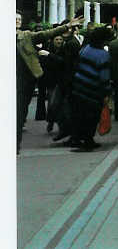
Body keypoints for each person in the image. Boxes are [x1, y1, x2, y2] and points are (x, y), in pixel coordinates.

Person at [16, 13, 83, 154]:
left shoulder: (26, 36)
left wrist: (66, 26)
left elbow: (47, 34)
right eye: (14, 19)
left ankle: (15, 144)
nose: (17, 21)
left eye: (19, 19)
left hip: (26, 81)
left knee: (20, 113)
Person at [66, 24, 113, 152]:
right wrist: (106, 93)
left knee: (79, 116)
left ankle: (79, 139)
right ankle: (88, 141)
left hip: (79, 86)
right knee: (91, 118)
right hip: (93, 91)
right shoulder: (103, 55)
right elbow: (104, 77)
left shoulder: (86, 49)